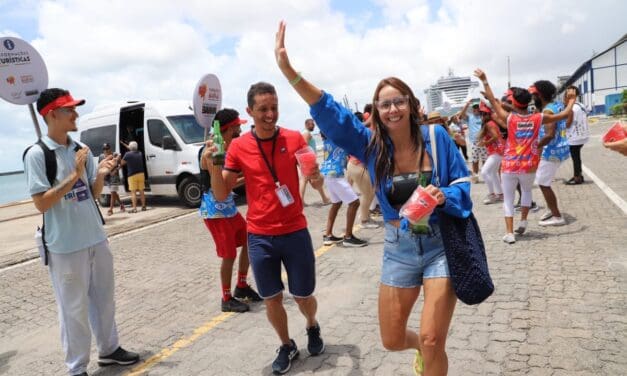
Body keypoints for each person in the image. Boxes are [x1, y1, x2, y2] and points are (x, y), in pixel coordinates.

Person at [275, 21, 471, 375]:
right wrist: (290, 73)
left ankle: (430, 354)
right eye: (384, 104)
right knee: (393, 339)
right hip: (399, 248)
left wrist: (446, 195)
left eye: (399, 101)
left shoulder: (436, 137)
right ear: (377, 111)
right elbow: (332, 115)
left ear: (410, 104)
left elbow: (462, 181)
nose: (392, 109)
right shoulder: (371, 146)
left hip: (441, 244)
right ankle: (423, 354)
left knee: (432, 338)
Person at [206, 82, 325, 374]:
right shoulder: (238, 146)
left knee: (303, 295)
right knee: (272, 298)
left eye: (274, 107)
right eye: (263, 109)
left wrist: (317, 179)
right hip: (260, 235)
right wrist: (211, 166)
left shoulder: (295, 138)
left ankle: (312, 324)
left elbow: (313, 174)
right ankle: (286, 345)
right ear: (250, 111)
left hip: (295, 230)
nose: (270, 114)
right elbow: (222, 194)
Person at [24, 88, 139, 376]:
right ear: (51, 114)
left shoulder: (80, 150)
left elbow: (92, 192)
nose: (76, 114)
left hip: (96, 237)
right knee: (73, 310)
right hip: (65, 246)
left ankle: (109, 350)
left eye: (75, 109)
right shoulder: (37, 155)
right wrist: (73, 176)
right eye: (69, 110)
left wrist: (99, 174)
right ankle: (76, 368)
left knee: (104, 298)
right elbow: (41, 203)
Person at [475, 69, 577, 244]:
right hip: (529, 165)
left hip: (509, 165)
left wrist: (485, 81)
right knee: (527, 192)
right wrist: (572, 101)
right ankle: (523, 221)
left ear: (513, 102)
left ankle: (509, 233)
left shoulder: (509, 119)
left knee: (508, 199)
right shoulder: (538, 118)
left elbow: (493, 102)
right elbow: (565, 114)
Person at [199, 108, 262, 313]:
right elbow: (220, 191)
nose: (241, 131)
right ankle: (226, 298)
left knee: (249, 240)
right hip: (216, 212)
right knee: (229, 255)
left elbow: (229, 185)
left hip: (228, 208)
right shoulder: (212, 151)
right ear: (227, 130)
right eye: (237, 128)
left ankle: (241, 285)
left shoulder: (229, 149)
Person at [530, 81, 570, 226]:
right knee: (543, 181)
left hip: (551, 151)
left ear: (539, 95)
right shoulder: (557, 105)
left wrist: (533, 147)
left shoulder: (548, 110)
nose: (533, 97)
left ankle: (557, 217)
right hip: (560, 148)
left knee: (542, 183)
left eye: (534, 94)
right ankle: (550, 208)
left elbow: (549, 134)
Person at [319, 132, 369, 247]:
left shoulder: (328, 140)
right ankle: (348, 237)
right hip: (335, 175)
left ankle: (328, 235)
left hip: (327, 173)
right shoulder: (339, 138)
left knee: (336, 203)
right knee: (355, 203)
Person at [476, 103, 505, 204]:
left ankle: (492, 194)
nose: (482, 116)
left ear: (488, 114)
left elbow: (496, 136)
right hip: (499, 151)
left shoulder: (489, 124)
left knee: (484, 172)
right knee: (493, 173)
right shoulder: (491, 123)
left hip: (496, 151)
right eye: (481, 114)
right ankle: (500, 195)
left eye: (484, 114)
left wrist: (485, 143)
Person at [300, 118, 331, 205]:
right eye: (311, 124)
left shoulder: (305, 133)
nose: (313, 126)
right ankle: (301, 201)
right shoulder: (306, 133)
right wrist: (310, 161)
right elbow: (304, 147)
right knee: (307, 179)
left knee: (309, 179)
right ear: (306, 124)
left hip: (306, 160)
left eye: (313, 124)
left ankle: (324, 198)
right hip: (308, 161)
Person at [564, 85, 590, 184]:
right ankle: (579, 175)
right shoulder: (581, 105)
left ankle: (577, 177)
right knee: (577, 157)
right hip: (583, 135)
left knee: (575, 158)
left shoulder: (572, 108)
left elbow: (568, 124)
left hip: (574, 137)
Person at [458, 99, 487, 183]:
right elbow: (461, 114)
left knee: (485, 160)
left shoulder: (483, 117)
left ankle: (486, 175)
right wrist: (467, 105)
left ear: (480, 109)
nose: (475, 109)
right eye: (474, 108)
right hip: (474, 142)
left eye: (477, 108)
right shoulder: (470, 117)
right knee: (475, 161)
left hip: (484, 142)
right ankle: (476, 176)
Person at [98, 143, 125, 216]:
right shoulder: (101, 156)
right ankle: (121, 204)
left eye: (107, 148)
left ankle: (111, 209)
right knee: (114, 193)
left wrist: (116, 170)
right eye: (104, 149)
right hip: (106, 177)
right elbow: (100, 166)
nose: (105, 150)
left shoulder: (115, 155)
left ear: (110, 148)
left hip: (114, 176)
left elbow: (122, 163)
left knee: (113, 192)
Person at [120, 141, 146, 213]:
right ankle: (143, 206)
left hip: (132, 175)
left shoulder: (127, 154)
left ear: (130, 148)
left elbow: (122, 163)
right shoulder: (140, 153)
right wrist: (124, 144)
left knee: (133, 193)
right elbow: (132, 149)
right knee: (142, 191)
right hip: (141, 174)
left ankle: (134, 208)